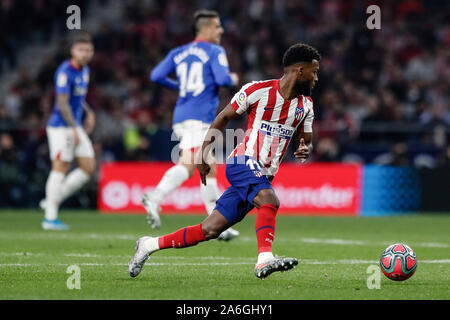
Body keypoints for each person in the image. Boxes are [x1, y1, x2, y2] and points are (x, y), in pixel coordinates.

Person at [129, 43, 320, 279]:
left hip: (263, 174)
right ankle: (264, 260)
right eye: (314, 71)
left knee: (210, 229)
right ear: (299, 70)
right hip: (242, 162)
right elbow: (224, 117)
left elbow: (305, 140)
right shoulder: (257, 90)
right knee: (269, 200)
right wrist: (202, 153)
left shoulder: (306, 106)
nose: (316, 78)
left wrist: (304, 147)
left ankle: (148, 245)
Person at [142, 10, 239, 241]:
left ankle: (215, 222)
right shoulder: (215, 50)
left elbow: (156, 75)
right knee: (198, 165)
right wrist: (233, 78)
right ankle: (156, 196)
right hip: (199, 117)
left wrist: (181, 87)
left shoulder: (179, 52)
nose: (221, 30)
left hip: (182, 115)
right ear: (205, 29)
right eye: (217, 27)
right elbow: (223, 79)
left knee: (201, 165)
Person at [40, 34, 95, 230]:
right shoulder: (64, 72)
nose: (85, 54)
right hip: (60, 126)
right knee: (61, 167)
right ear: (72, 51)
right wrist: (74, 128)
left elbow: (77, 98)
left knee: (88, 168)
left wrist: (89, 112)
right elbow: (62, 103)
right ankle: (50, 217)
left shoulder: (85, 70)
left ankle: (51, 200)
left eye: (88, 50)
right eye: (81, 50)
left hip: (74, 125)